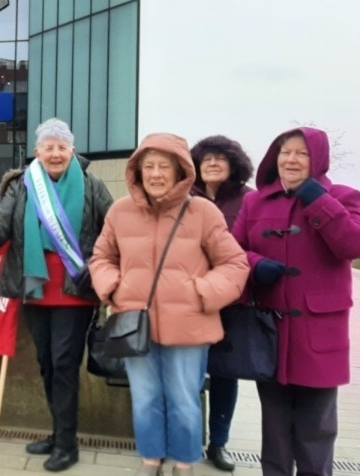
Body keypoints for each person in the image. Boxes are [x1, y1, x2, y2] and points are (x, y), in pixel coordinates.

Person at [89, 133, 249, 476]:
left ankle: (184, 462)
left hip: (189, 326)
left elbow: (234, 264)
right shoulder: (120, 211)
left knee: (184, 400)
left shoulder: (203, 212)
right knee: (145, 398)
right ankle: (150, 458)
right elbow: (101, 258)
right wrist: (115, 289)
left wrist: (202, 292)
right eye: (149, 166)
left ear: (180, 172)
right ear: (138, 170)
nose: (156, 174)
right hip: (135, 324)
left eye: (165, 166)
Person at [0, 118, 114, 472]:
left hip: (76, 288)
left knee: (64, 364)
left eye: (62, 147)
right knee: (47, 364)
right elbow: (0, 220)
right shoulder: (24, 186)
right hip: (35, 286)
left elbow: (114, 228)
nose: (55, 153)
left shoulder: (93, 186)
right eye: (48, 147)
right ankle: (58, 430)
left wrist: (104, 266)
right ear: (37, 152)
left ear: (72, 151)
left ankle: (67, 443)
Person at [232, 128, 360, 476]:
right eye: (285, 152)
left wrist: (316, 198)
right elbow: (231, 251)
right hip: (271, 330)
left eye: (302, 153)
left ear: (318, 159)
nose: (291, 159)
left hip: (319, 334)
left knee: (317, 430)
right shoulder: (255, 201)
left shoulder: (343, 196)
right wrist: (256, 265)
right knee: (274, 430)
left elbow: (354, 245)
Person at [188, 135, 255, 472]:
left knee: (226, 375)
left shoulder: (249, 200)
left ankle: (219, 444)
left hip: (232, 301)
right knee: (188, 373)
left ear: (233, 163)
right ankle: (186, 442)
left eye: (220, 158)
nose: (212, 163)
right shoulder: (185, 197)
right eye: (206, 159)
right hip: (190, 300)